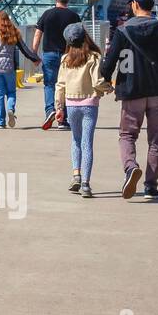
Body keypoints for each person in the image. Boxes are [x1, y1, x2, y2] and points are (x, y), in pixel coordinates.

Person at [99, 0, 158, 200]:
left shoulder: (123, 31)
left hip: (131, 90)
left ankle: (130, 167)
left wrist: (104, 78)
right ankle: (151, 185)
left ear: (134, 4)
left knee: (127, 135)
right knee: (156, 139)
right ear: (151, 6)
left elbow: (110, 61)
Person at [55, 23, 112, 198]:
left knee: (76, 140)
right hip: (89, 104)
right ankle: (86, 184)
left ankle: (76, 175)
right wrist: (108, 88)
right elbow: (97, 82)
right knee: (87, 143)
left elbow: (60, 85)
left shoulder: (65, 59)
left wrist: (59, 108)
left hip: (71, 104)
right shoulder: (94, 57)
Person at [0, 11, 41, 130]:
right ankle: (11, 109)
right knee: (11, 92)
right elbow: (24, 49)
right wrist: (35, 58)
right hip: (9, 68)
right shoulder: (14, 32)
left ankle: (0, 122)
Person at [31, 0, 81, 128]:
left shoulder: (47, 14)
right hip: (69, 54)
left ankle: (50, 110)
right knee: (66, 86)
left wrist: (34, 54)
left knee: (49, 84)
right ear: (68, 0)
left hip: (49, 54)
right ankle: (62, 120)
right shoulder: (74, 16)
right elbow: (80, 36)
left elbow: (37, 35)